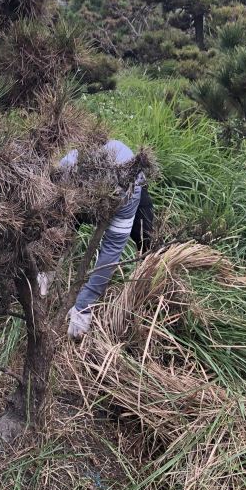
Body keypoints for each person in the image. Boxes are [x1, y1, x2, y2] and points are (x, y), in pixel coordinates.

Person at [60, 139, 154, 341]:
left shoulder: (129, 190)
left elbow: (112, 248)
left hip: (126, 190)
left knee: (146, 239)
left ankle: (147, 287)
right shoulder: (66, 173)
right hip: (80, 191)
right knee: (63, 232)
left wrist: (83, 306)